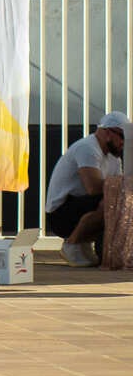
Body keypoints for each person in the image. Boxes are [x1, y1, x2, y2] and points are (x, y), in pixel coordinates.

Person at [46, 111, 128, 267]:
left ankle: (85, 244)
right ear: (108, 132)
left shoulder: (114, 158)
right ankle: (72, 244)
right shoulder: (87, 148)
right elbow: (93, 187)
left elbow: (119, 189)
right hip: (59, 215)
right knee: (109, 202)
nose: (124, 142)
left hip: (79, 205)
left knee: (120, 202)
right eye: (122, 136)